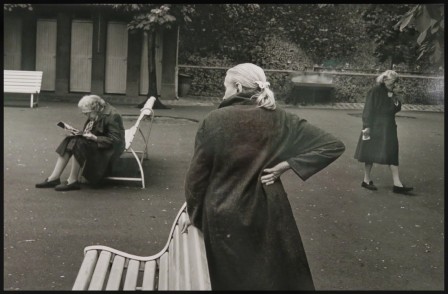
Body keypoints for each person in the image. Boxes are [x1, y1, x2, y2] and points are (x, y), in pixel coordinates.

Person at [181, 63, 346, 290]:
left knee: (232, 281)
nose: (224, 93)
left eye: (225, 88)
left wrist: (195, 215)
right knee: (270, 278)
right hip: (268, 211)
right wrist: (286, 165)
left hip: (223, 213)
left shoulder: (215, 120)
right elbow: (332, 145)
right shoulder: (281, 119)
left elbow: (196, 179)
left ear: (238, 87)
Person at [35, 95, 125, 191]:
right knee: (70, 139)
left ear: (96, 107)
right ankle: (54, 177)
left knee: (78, 143)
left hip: (109, 149)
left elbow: (116, 140)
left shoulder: (113, 115)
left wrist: (95, 138)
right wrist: (81, 134)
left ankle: (72, 180)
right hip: (98, 143)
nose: (86, 116)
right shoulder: (96, 112)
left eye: (87, 113)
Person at [354, 70, 413, 194]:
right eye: (393, 82)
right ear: (385, 79)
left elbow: (396, 108)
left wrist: (394, 98)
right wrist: (366, 127)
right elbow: (368, 110)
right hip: (373, 126)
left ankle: (397, 184)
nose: (394, 85)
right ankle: (366, 180)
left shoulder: (391, 92)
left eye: (395, 82)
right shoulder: (374, 91)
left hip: (388, 127)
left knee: (392, 151)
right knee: (368, 151)